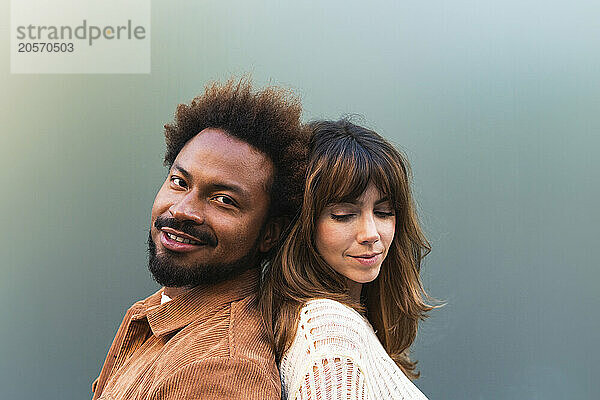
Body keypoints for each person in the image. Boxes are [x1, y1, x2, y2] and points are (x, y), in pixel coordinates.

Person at [91, 78, 308, 400]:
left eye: (223, 200)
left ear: (269, 234)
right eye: (179, 182)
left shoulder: (220, 369)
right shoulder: (158, 310)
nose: (182, 210)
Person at [261, 119, 435, 399]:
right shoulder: (328, 330)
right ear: (302, 224)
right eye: (343, 215)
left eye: (384, 212)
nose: (370, 234)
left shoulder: (339, 322)